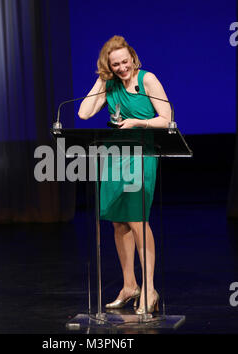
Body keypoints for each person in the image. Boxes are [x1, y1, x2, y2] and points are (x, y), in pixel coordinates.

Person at [78, 35, 171, 314]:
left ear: (132, 57)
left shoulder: (148, 79)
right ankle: (130, 285)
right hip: (114, 156)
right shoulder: (110, 83)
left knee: (138, 219)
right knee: (119, 222)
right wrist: (101, 80)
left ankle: (150, 288)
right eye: (115, 64)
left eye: (124, 61)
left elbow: (166, 118)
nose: (121, 68)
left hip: (141, 154)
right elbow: (84, 113)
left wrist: (137, 122)